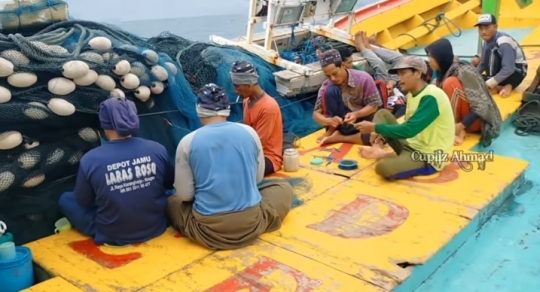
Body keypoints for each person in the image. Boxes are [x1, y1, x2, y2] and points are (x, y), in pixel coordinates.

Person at [168, 84, 293, 250]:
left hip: (208, 231)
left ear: (199, 110)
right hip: (251, 223)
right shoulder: (249, 132)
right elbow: (257, 179)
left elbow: (185, 195)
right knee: (283, 188)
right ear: (227, 108)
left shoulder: (187, 142)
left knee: (172, 202)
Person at [58, 97, 174, 246]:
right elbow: (169, 184)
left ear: (104, 124)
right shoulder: (157, 149)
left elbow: (84, 202)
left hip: (112, 235)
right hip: (156, 226)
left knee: (66, 199)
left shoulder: (91, 159)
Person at [355, 56, 454, 180]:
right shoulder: (412, 96)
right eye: (398, 74)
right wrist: (378, 129)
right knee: (382, 114)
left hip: (428, 156)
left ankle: (386, 155)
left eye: (403, 74)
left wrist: (375, 127)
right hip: (412, 145)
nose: (399, 79)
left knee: (383, 168)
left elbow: (409, 130)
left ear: (418, 73)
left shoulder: (432, 96)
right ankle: (377, 149)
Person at [425, 38, 502, 147]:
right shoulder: (440, 72)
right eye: (428, 56)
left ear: (442, 57)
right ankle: (455, 128)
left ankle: (455, 129)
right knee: (433, 91)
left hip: (480, 121)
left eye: (432, 57)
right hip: (463, 120)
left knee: (450, 83)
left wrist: (460, 126)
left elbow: (482, 105)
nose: (429, 60)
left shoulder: (463, 71)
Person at [313, 49, 382, 145]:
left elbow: (374, 105)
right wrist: (329, 121)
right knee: (330, 90)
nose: (332, 78)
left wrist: (356, 114)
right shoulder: (326, 85)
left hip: (365, 119)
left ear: (342, 66)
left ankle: (339, 138)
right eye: (328, 76)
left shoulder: (364, 78)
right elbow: (316, 114)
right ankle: (332, 131)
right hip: (342, 124)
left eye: (334, 74)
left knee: (377, 137)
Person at [230, 61, 283, 176]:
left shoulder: (268, 107)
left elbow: (258, 144)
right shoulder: (246, 101)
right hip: (253, 152)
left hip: (268, 157)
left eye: (237, 86)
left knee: (232, 172)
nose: (235, 91)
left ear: (248, 84)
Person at [475, 14, 527, 97]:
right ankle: (502, 87)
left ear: (495, 27)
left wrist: (488, 84)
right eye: (481, 29)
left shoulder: (504, 41)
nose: (483, 31)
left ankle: (497, 86)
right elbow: (483, 64)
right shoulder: (486, 40)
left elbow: (508, 69)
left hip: (516, 72)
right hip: (504, 73)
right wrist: (473, 76)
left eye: (487, 27)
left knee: (492, 49)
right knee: (475, 79)